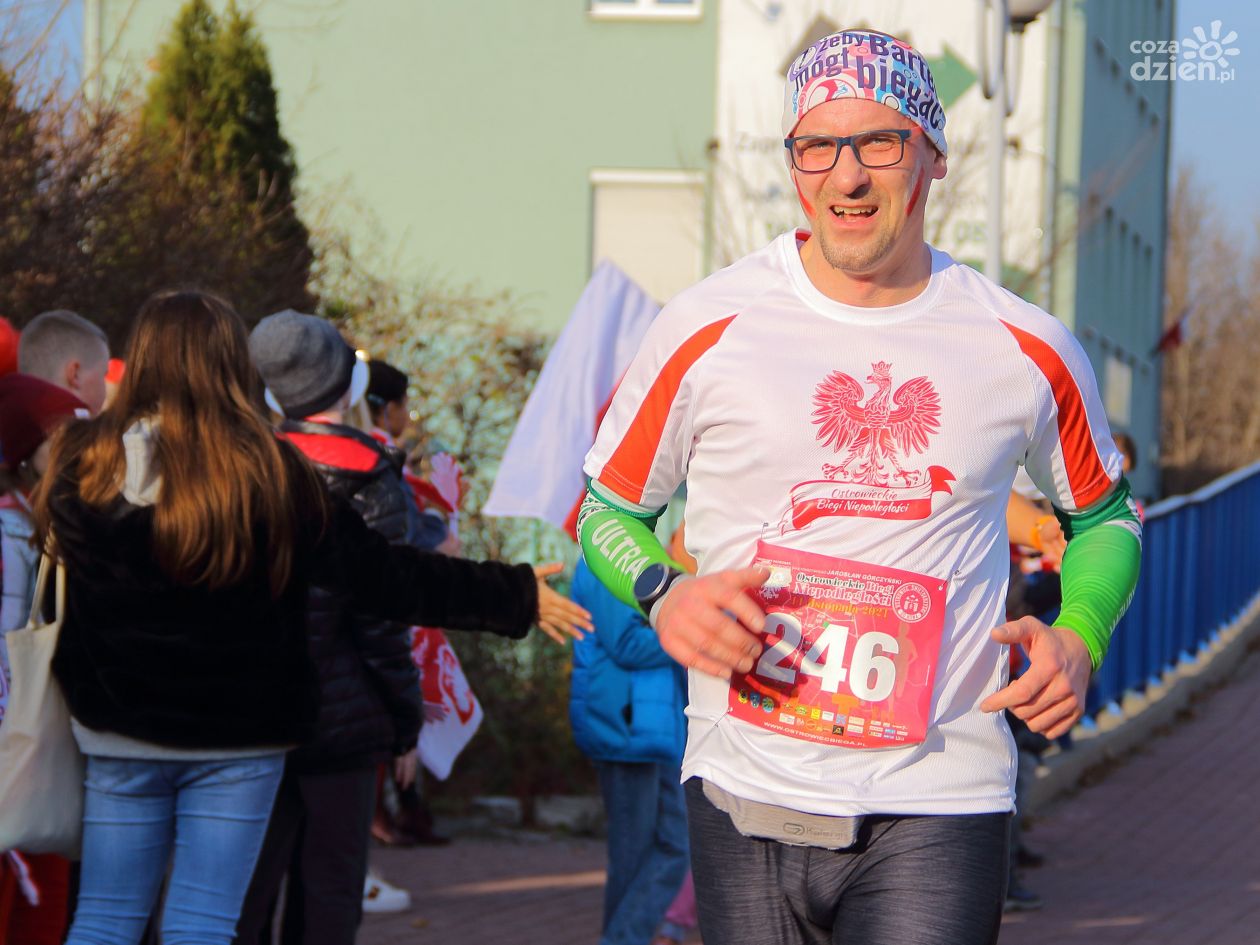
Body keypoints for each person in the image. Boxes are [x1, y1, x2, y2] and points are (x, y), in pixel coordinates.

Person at [577, 28, 1142, 945]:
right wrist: (663, 592)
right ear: (793, 163)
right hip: (744, 787)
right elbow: (609, 508)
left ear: (933, 156)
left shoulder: (1024, 346)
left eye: (880, 142)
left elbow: (1107, 517)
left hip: (940, 797)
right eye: (817, 146)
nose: (846, 176)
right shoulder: (705, 325)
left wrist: (1080, 634)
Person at [34, 290, 590, 945]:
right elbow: (382, 575)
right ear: (230, 363)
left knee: (104, 918)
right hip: (240, 737)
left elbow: (53, 591)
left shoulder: (85, 465)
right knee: (203, 923)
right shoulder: (268, 471)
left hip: (118, 728)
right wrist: (511, 594)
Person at [233, 313, 450, 940]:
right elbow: (382, 618)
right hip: (346, 721)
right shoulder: (372, 474)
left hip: (253, 716)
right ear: (347, 384)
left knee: (245, 889)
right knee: (329, 892)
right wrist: (404, 719)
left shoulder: (241, 467)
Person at [0, 374, 88, 945]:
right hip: (17, 755)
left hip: (37, 757)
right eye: (65, 442)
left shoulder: (49, 527)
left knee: (44, 915)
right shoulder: (13, 535)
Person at [569, 547, 689, 945]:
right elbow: (625, 643)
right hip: (623, 724)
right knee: (634, 857)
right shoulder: (602, 559)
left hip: (657, 728)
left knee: (676, 845)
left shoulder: (648, 557)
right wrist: (691, 633)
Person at [18, 310, 111, 415]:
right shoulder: (79, 417)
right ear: (75, 375)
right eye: (103, 375)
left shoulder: (13, 418)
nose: (106, 390)